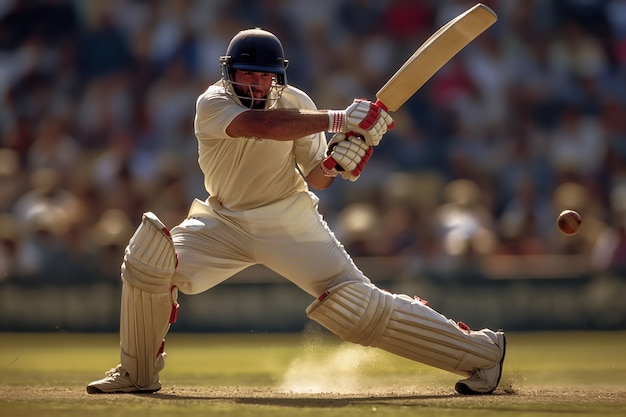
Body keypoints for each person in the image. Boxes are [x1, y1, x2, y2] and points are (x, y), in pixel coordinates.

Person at [87, 28, 505, 396]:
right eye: (246, 74)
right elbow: (262, 126)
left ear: (278, 75)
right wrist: (339, 119)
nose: (254, 82)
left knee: (357, 309)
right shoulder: (212, 102)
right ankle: (137, 373)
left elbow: (317, 178)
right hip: (222, 222)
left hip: (289, 220)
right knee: (148, 261)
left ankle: (483, 353)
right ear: (228, 74)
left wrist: (336, 163)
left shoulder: (297, 102)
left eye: (263, 74)